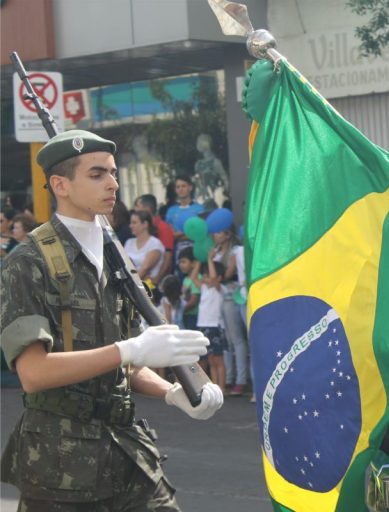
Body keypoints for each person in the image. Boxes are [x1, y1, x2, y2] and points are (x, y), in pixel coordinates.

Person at [0, 129, 223, 510]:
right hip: (62, 466)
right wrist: (130, 349)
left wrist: (171, 393)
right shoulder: (29, 261)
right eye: (97, 174)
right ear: (60, 185)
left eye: (114, 173)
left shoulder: (114, 256)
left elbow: (127, 364)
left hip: (128, 451)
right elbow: (34, 372)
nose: (113, 184)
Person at [211, 223, 249, 397]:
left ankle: (240, 380)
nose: (215, 235)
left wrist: (210, 261)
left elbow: (224, 275)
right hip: (219, 299)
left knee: (237, 340)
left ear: (227, 234)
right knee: (227, 341)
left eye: (218, 231)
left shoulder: (236, 251)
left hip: (232, 297)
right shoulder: (217, 251)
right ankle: (229, 377)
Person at [191, 255, 227, 389]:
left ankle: (222, 387)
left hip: (215, 326)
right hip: (203, 325)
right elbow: (193, 278)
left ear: (219, 278)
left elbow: (212, 277)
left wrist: (210, 260)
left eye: (208, 275)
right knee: (211, 359)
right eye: (204, 275)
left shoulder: (220, 288)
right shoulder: (204, 288)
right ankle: (215, 386)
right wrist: (199, 262)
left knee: (218, 359)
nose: (206, 278)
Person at [165, 175, 205, 272]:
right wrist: (189, 233)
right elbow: (170, 235)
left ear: (190, 188)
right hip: (177, 251)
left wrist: (180, 234)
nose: (181, 189)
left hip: (196, 250)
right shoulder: (171, 211)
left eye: (183, 186)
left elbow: (200, 233)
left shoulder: (199, 209)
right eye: (178, 187)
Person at [134, 194, 174, 281]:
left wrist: (158, 278)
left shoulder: (163, 228)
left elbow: (167, 256)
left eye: (138, 206)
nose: (135, 210)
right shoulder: (138, 228)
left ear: (147, 208)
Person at [125, 210, 165, 284]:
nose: (130, 226)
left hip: (148, 288)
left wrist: (130, 284)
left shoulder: (155, 244)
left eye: (134, 223)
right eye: (131, 223)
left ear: (145, 224)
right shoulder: (129, 242)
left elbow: (145, 268)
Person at [194, 133, 229, 210]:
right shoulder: (198, 164)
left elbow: (224, 178)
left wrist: (225, 191)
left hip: (216, 198)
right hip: (202, 199)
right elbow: (197, 184)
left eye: (200, 141)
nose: (198, 144)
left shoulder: (216, 162)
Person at [177, 247, 202, 331]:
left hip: (193, 316)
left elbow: (193, 301)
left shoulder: (198, 278)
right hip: (185, 314)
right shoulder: (186, 279)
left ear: (194, 263)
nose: (181, 265)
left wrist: (178, 311)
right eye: (180, 262)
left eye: (184, 262)